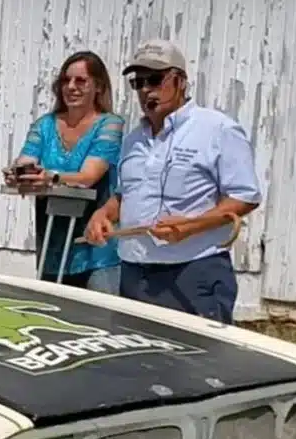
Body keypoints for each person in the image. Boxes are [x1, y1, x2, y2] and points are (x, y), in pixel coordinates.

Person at [84, 40, 261, 324]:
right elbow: (124, 194)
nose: (145, 90)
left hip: (192, 273)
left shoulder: (216, 129)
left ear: (179, 81)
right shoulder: (133, 140)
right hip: (134, 273)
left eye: (154, 80)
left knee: (197, 365)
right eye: (138, 82)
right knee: (137, 362)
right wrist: (103, 214)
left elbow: (245, 196)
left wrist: (192, 226)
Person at [2, 50, 125, 293]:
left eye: (81, 81)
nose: (71, 87)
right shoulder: (44, 125)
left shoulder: (110, 124)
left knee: (99, 322)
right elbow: (27, 159)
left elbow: (89, 176)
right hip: (52, 245)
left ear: (98, 87)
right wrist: (19, 173)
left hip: (96, 251)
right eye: (66, 81)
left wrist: (50, 176)